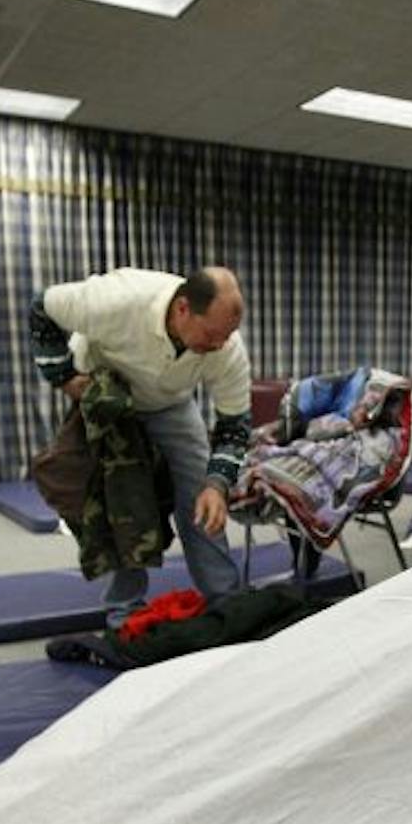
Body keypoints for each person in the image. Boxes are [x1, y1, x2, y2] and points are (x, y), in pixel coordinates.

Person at [31, 266, 252, 627]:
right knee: (115, 498)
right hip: (107, 397)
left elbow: (234, 426)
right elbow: (42, 307)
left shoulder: (226, 347)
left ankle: (225, 598)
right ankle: (125, 610)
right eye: (212, 335)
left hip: (170, 402)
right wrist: (64, 377)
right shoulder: (118, 299)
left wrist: (217, 486)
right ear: (183, 309)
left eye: (226, 337)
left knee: (202, 494)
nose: (219, 345)